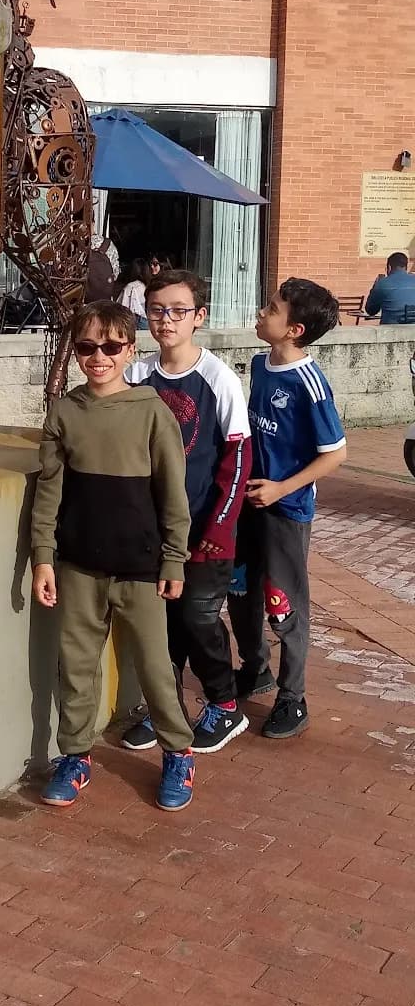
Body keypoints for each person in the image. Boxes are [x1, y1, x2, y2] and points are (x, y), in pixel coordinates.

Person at [30, 299, 196, 813]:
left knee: (153, 665)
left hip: (141, 567)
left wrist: (174, 559)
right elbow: (50, 494)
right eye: (86, 346)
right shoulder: (64, 412)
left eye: (110, 346)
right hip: (78, 566)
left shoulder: (152, 412)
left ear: (130, 349)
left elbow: (173, 494)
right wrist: (43, 557)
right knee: (76, 666)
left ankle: (178, 752)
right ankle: (75, 756)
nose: (98, 356)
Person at [123, 269, 253, 753]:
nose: (166, 320)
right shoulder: (136, 374)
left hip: (205, 529)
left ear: (199, 317)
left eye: (179, 311)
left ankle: (224, 704)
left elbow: (237, 460)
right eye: (157, 310)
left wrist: (218, 528)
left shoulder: (218, 379)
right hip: (151, 529)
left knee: (198, 617)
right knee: (161, 622)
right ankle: (165, 707)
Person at [227, 279, 347, 739]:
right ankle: (254, 667)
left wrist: (281, 489)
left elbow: (334, 453)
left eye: (272, 308)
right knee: (241, 590)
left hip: (286, 509)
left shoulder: (309, 384)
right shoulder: (262, 364)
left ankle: (292, 698)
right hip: (248, 504)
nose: (262, 311)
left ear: (293, 329)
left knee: (284, 602)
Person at [365, 251, 415, 324]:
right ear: (406, 267)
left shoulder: (382, 283)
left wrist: (374, 287)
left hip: (389, 331)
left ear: (389, 267)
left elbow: (371, 311)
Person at [119, 258, 152, 329]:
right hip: (147, 321)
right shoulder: (147, 286)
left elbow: (123, 307)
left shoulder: (131, 286)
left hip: (136, 321)